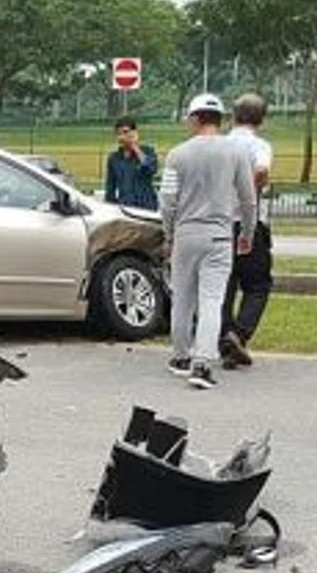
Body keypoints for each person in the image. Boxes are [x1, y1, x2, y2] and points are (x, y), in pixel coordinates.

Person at [159, 93, 256, 390]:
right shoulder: (236, 153)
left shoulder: (177, 154)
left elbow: (167, 200)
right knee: (212, 300)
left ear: (195, 118)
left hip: (186, 233)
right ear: (219, 119)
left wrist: (169, 234)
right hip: (219, 234)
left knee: (182, 299)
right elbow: (248, 199)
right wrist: (247, 233)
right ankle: (203, 363)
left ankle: (180, 356)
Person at [218, 92, 274, 369]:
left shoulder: (220, 145)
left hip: (219, 222)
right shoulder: (259, 145)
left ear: (233, 116)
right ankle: (239, 333)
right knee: (257, 285)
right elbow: (262, 171)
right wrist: (248, 194)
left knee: (225, 284)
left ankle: (225, 337)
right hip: (250, 223)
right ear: (261, 119)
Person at [104, 116, 159, 209]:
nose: (122, 136)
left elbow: (151, 169)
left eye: (126, 132)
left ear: (134, 132)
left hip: (147, 206)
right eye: (119, 133)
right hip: (126, 207)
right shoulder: (114, 158)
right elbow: (110, 187)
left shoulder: (148, 151)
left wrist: (135, 147)